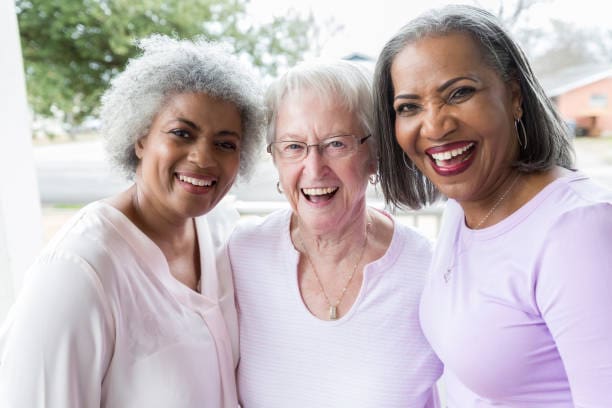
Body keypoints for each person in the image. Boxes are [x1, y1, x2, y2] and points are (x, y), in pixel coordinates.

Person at [0, 34, 263, 407]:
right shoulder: (79, 269)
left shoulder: (221, 233)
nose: (203, 158)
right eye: (181, 134)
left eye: (225, 143)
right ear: (140, 138)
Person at [373, 5, 612, 407]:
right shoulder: (462, 208)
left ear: (514, 97)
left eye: (459, 93)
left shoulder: (578, 229)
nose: (434, 126)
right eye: (409, 107)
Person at [228, 59, 442, 407]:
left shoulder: (428, 269)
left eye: (336, 144)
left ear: (373, 155)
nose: (314, 169)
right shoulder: (241, 254)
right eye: (293, 147)